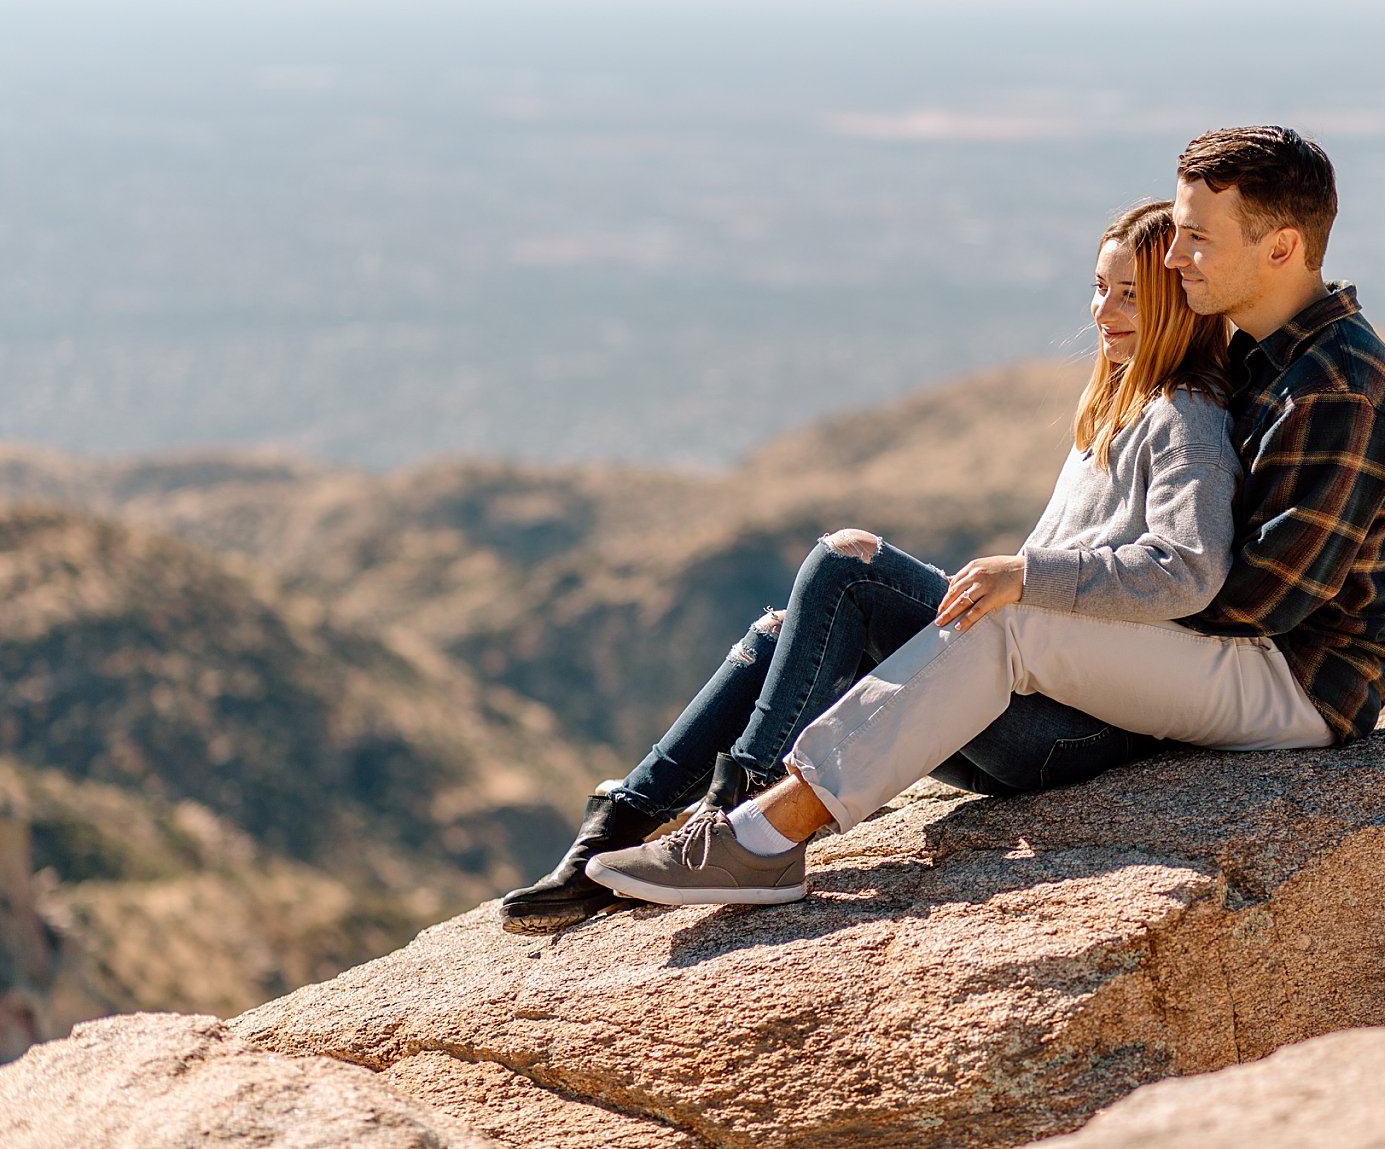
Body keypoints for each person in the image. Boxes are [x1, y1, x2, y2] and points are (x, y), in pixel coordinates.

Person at [583, 126, 1385, 907]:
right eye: (1177, 229)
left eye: (1198, 237)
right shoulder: (1257, 351)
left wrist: (1045, 587)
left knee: (1007, 621)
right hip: (1231, 648)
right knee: (864, 618)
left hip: (1294, 679)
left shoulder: (1334, 386)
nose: (1176, 257)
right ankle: (635, 825)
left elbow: (1255, 600)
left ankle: (762, 837)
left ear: (1281, 246)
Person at [501, 197, 1242, 926]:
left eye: (1130, 295)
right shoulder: (1122, 401)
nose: (1101, 309)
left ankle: (737, 828)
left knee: (847, 563)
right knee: (782, 632)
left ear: (1184, 302)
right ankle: (619, 824)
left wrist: (1024, 578)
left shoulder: (1187, 417)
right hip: (1013, 711)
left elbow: (1187, 567)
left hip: (1071, 732)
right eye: (1099, 286)